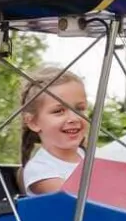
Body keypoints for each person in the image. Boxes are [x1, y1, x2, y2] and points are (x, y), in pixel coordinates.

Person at [17, 65, 90, 194]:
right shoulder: (40, 170)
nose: (74, 118)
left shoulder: (93, 156)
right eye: (59, 111)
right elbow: (78, 201)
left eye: (79, 109)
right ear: (33, 122)